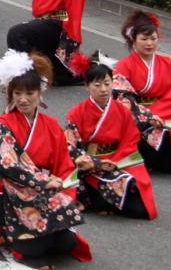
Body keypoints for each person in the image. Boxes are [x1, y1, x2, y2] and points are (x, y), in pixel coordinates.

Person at [0, 50, 92, 263]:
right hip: (6, 192)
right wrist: (44, 181)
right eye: (17, 94)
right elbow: (9, 166)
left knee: (67, 243)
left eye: (30, 93)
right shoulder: (3, 125)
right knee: (36, 248)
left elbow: (65, 165)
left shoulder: (51, 126)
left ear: (40, 93)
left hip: (40, 193)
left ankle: (34, 231)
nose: (23, 100)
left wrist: (63, 191)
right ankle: (11, 231)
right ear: (10, 94)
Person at [65, 54, 157, 219]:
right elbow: (70, 146)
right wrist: (96, 163)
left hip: (119, 160)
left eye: (107, 84)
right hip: (91, 166)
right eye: (97, 85)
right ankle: (98, 198)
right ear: (87, 86)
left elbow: (131, 139)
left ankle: (104, 200)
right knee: (124, 196)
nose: (103, 89)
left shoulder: (122, 110)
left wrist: (116, 162)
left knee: (141, 203)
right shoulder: (77, 113)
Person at [113, 11, 171, 174]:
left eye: (153, 38)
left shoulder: (168, 64)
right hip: (137, 118)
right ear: (134, 40)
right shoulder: (125, 65)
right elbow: (123, 97)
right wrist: (148, 117)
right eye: (144, 39)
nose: (149, 43)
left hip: (165, 116)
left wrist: (158, 115)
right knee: (146, 132)